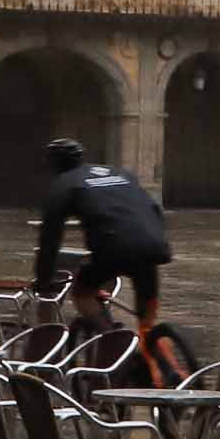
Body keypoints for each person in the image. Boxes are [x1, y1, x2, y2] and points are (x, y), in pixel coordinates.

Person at [32, 138, 192, 384]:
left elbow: (50, 239)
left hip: (113, 249)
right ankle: (174, 370)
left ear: (53, 165)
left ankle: (112, 338)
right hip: (154, 247)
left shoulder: (63, 184)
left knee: (83, 292)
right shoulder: (119, 173)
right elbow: (153, 209)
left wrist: (43, 281)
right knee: (146, 322)